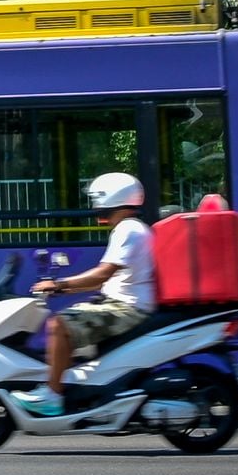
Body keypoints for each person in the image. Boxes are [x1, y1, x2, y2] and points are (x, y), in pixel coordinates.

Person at [15, 173, 157, 416]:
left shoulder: (128, 230)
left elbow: (102, 274)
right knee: (69, 323)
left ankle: (52, 395)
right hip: (123, 302)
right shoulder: (131, 228)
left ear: (111, 198)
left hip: (128, 307)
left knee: (59, 324)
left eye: (97, 200)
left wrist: (58, 284)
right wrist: (62, 289)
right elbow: (103, 280)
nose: (94, 207)